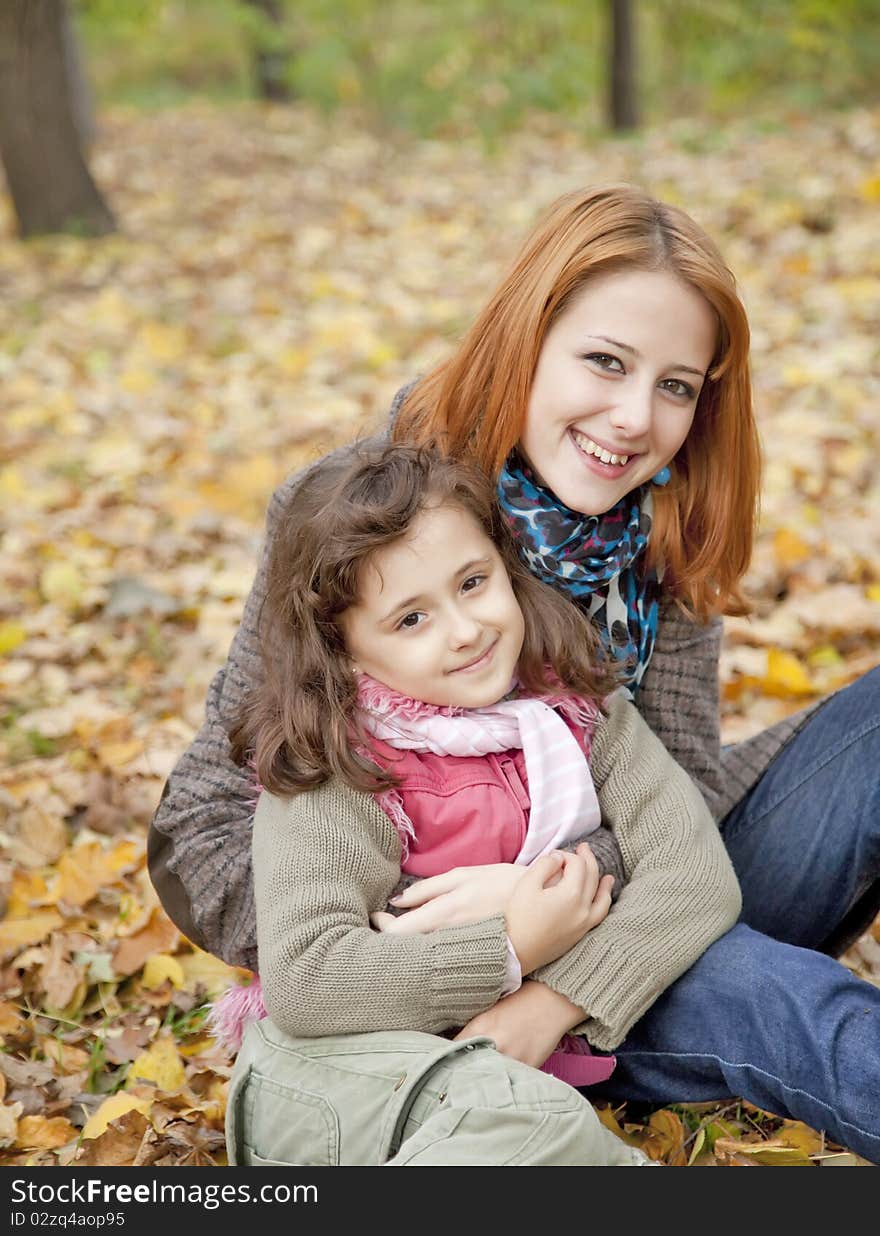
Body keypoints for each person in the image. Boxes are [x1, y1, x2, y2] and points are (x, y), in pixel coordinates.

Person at [149, 183, 880, 1162]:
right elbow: (200, 824)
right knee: (792, 1008)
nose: (632, 419)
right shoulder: (357, 522)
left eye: (675, 385)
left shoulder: (658, 534)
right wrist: (449, 937)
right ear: (524, 341)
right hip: (426, 979)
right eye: (604, 362)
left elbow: (681, 808)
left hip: (640, 910)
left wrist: (546, 905)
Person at [222, 441, 739, 1166]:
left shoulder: (578, 708)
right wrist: (512, 945)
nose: (465, 631)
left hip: (517, 1071)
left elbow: (697, 876)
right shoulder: (338, 763)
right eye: (410, 619)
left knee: (546, 1126)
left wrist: (549, 994)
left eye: (472, 582)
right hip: (351, 1082)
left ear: (507, 566)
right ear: (344, 652)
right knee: (544, 1134)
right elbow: (308, 980)